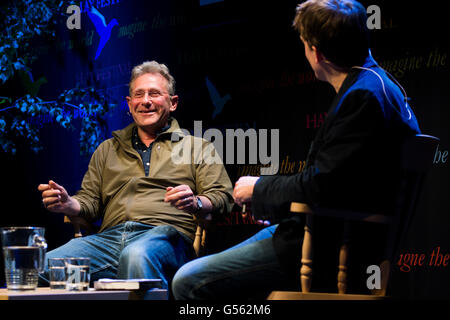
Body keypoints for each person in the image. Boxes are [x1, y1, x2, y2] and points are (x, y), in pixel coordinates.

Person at [172, 0, 421, 299]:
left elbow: (321, 186)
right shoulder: (379, 85)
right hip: (327, 233)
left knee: (187, 280)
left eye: (304, 44)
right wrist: (271, 199)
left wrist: (259, 188)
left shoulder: (363, 98)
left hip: (327, 246)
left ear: (316, 52)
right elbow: (338, 181)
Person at [38, 61, 234, 290]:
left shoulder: (197, 147)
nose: (146, 101)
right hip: (108, 241)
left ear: (173, 103)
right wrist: (69, 203)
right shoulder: (107, 149)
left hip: (166, 238)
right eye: (138, 95)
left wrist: (196, 202)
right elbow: (90, 202)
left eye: (154, 94)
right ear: (130, 105)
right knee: (39, 268)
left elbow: (223, 197)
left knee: (136, 256)